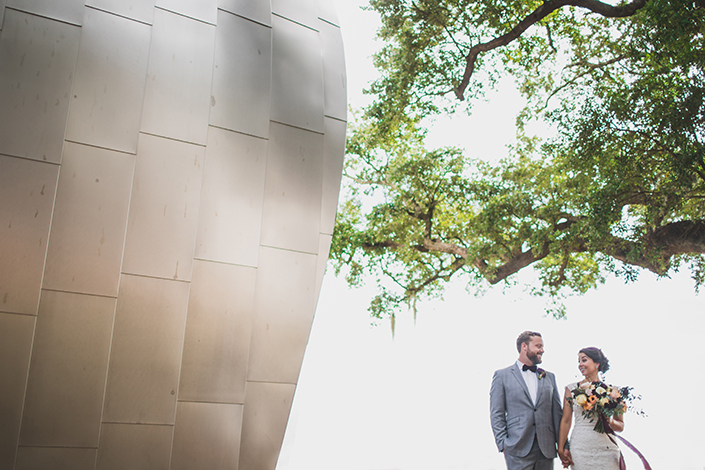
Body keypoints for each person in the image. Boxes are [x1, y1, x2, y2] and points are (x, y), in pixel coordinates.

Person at [490, 331, 563, 470]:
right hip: (517, 447)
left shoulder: (550, 377)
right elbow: (497, 413)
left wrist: (563, 445)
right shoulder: (502, 376)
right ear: (524, 347)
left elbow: (557, 414)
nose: (542, 350)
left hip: (546, 449)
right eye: (538, 346)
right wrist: (503, 444)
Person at [557, 347, 623, 469]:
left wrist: (611, 422)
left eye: (584, 360)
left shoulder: (613, 391)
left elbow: (621, 426)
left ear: (597, 364)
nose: (580, 364)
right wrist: (561, 448)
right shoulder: (571, 389)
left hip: (607, 449)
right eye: (579, 361)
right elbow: (566, 420)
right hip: (580, 447)